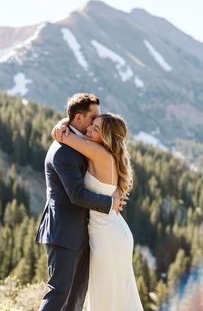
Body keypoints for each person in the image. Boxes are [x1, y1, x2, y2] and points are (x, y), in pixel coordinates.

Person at [35, 93, 124, 311]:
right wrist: (109, 203)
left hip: (87, 232)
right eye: (93, 118)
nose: (96, 122)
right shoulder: (63, 151)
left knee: (77, 295)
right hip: (64, 231)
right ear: (78, 119)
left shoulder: (81, 141)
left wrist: (63, 123)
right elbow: (76, 194)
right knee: (59, 292)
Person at [53, 113, 144, 311]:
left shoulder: (98, 152)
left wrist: (62, 123)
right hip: (111, 231)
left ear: (106, 136)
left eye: (95, 128)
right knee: (115, 294)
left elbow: (63, 135)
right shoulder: (105, 154)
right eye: (91, 125)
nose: (88, 129)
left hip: (107, 236)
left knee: (107, 296)